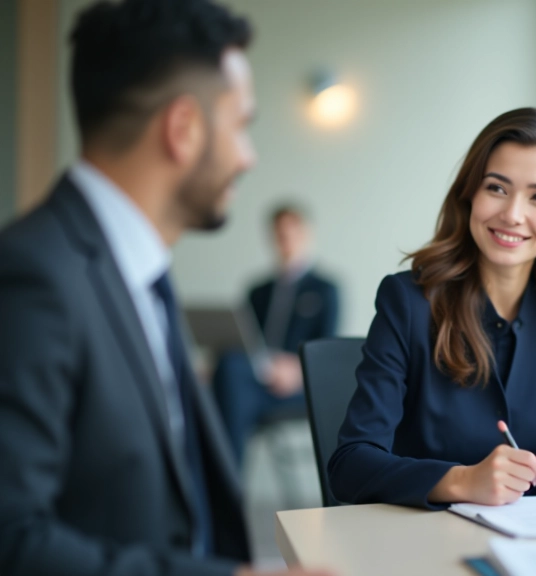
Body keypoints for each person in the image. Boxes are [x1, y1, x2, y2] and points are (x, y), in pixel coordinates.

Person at [0, 1, 330, 575]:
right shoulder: (34, 278)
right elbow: (12, 540)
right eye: (242, 126)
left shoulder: (135, 269)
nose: (249, 157)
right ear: (183, 129)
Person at [328, 107, 536, 509]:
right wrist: (461, 481)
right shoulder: (407, 303)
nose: (512, 214)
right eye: (496, 188)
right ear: (470, 193)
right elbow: (350, 465)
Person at [213, 204, 339, 465]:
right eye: (279, 234)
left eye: (292, 233)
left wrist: (298, 369)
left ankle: (224, 485)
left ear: (306, 234)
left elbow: (326, 350)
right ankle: (224, 483)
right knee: (226, 371)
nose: (286, 240)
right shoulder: (258, 290)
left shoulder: (326, 289)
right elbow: (246, 341)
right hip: (255, 380)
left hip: (295, 388)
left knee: (230, 389)